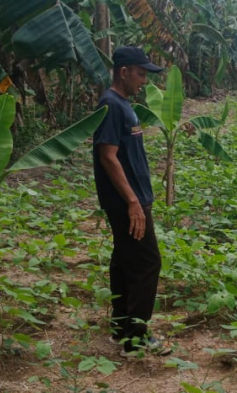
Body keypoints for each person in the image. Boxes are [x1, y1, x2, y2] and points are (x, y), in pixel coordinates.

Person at [93, 46, 170, 357]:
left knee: (124, 261)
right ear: (123, 72)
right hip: (128, 203)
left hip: (131, 200)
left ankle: (121, 328)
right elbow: (108, 157)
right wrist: (133, 202)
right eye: (140, 74)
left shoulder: (121, 104)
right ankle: (135, 337)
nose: (143, 81)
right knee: (147, 263)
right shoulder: (111, 105)